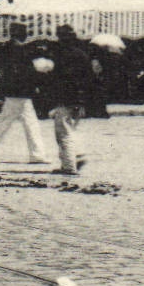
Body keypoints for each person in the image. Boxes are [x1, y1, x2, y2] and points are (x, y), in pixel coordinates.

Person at [0, 22, 52, 164]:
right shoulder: (22, 50)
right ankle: (37, 155)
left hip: (13, 91)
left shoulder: (7, 48)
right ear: (22, 34)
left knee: (15, 122)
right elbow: (29, 70)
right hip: (21, 91)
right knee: (10, 123)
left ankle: (37, 154)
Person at [43, 24, 93, 175]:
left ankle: (70, 166)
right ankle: (75, 158)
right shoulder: (82, 55)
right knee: (70, 131)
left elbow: (57, 80)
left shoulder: (60, 56)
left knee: (63, 133)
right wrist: (83, 101)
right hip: (78, 99)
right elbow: (89, 79)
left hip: (65, 99)